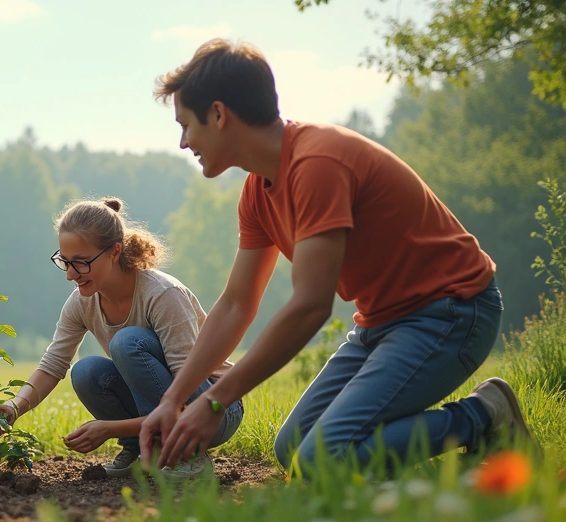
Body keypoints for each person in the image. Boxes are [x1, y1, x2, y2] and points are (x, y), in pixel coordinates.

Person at [141, 39, 539, 476]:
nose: (182, 143)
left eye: (185, 125)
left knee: (323, 459)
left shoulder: (317, 164)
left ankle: (485, 416)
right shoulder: (258, 191)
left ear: (219, 114)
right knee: (292, 448)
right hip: (382, 324)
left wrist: (218, 400)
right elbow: (237, 304)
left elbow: (311, 306)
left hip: (452, 313)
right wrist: (174, 398)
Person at [0, 197, 242, 478]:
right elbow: (53, 364)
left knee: (127, 341)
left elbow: (186, 395)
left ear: (114, 252)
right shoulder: (81, 302)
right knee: (86, 371)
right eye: (65, 262)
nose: (71, 275)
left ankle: (182, 452)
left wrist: (109, 428)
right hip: (172, 404)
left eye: (82, 263)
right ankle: (139, 449)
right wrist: (14, 407)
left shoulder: (162, 295)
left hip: (214, 407)